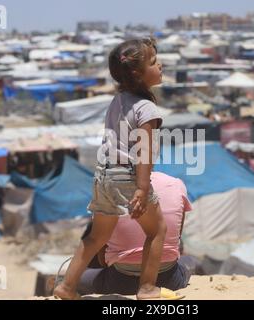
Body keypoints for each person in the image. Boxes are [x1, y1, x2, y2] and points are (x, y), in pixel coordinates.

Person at [53, 37, 178, 300]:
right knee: (157, 231)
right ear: (137, 73)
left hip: (104, 175)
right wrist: (142, 189)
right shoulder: (147, 109)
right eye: (154, 62)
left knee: (96, 237)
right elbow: (144, 153)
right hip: (129, 177)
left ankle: (66, 287)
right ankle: (146, 287)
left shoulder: (118, 100)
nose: (161, 65)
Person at [76, 172, 195, 295]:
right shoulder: (175, 184)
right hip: (169, 280)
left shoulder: (107, 188)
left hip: (120, 281)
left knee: (78, 278)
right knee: (190, 261)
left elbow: (102, 258)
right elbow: (177, 242)